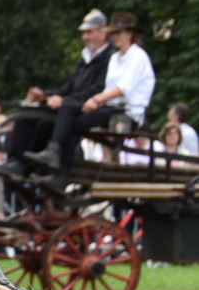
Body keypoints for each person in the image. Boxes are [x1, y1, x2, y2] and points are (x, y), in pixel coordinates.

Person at [2, 10, 113, 174]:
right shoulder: (86, 58)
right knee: (26, 113)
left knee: (44, 123)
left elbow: (98, 89)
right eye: (84, 33)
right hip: (71, 104)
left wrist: (64, 101)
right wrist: (46, 95)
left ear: (102, 32)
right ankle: (17, 159)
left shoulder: (110, 59)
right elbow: (69, 87)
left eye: (89, 33)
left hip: (87, 107)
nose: (85, 37)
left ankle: (27, 165)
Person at [48, 12, 156, 175]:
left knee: (74, 123)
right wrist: (93, 103)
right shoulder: (115, 58)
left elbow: (122, 88)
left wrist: (97, 100)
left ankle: (60, 169)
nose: (115, 37)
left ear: (130, 33)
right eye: (112, 33)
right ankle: (55, 159)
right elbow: (108, 88)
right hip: (110, 109)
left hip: (127, 115)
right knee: (69, 113)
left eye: (118, 33)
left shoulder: (138, 57)